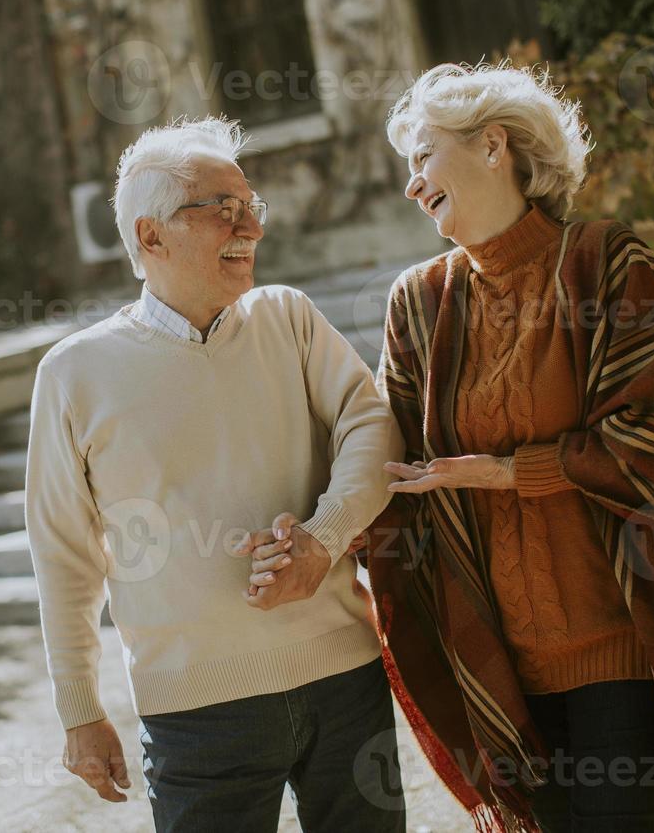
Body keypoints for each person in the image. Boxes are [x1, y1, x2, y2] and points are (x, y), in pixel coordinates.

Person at [256, 63, 654, 832]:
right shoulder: (420, 300)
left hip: (621, 643)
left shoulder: (606, 262)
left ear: (494, 145)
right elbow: (383, 451)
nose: (411, 186)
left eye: (423, 157)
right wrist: (317, 531)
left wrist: (506, 473)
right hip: (495, 662)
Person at [25, 116, 407, 832]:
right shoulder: (73, 373)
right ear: (150, 236)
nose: (249, 229)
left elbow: (371, 421)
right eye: (221, 210)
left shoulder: (289, 317)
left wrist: (324, 538)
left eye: (250, 207)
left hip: (346, 681)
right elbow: (63, 552)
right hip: (196, 715)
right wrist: (80, 710)